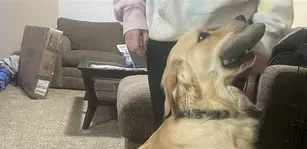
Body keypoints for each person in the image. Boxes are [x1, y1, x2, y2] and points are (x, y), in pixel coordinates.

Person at [113, 0, 294, 130]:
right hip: (164, 41)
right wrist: (132, 11)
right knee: (169, 138)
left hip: (231, 44)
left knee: (227, 141)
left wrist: (265, 39)